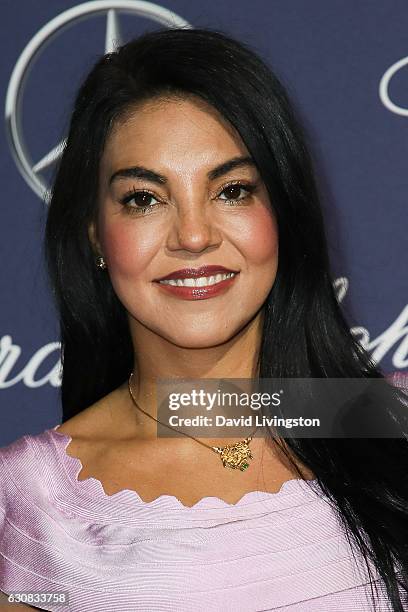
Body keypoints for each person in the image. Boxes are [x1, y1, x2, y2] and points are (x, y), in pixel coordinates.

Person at [0, 27, 407, 612]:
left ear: (283, 212)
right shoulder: (32, 507)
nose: (193, 236)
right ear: (94, 233)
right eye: (144, 198)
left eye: (233, 190)